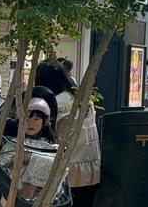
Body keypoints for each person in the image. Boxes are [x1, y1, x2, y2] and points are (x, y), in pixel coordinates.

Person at [35, 60, 100, 207]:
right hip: (91, 167)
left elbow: (44, 132)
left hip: (68, 169)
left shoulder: (56, 103)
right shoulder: (84, 98)